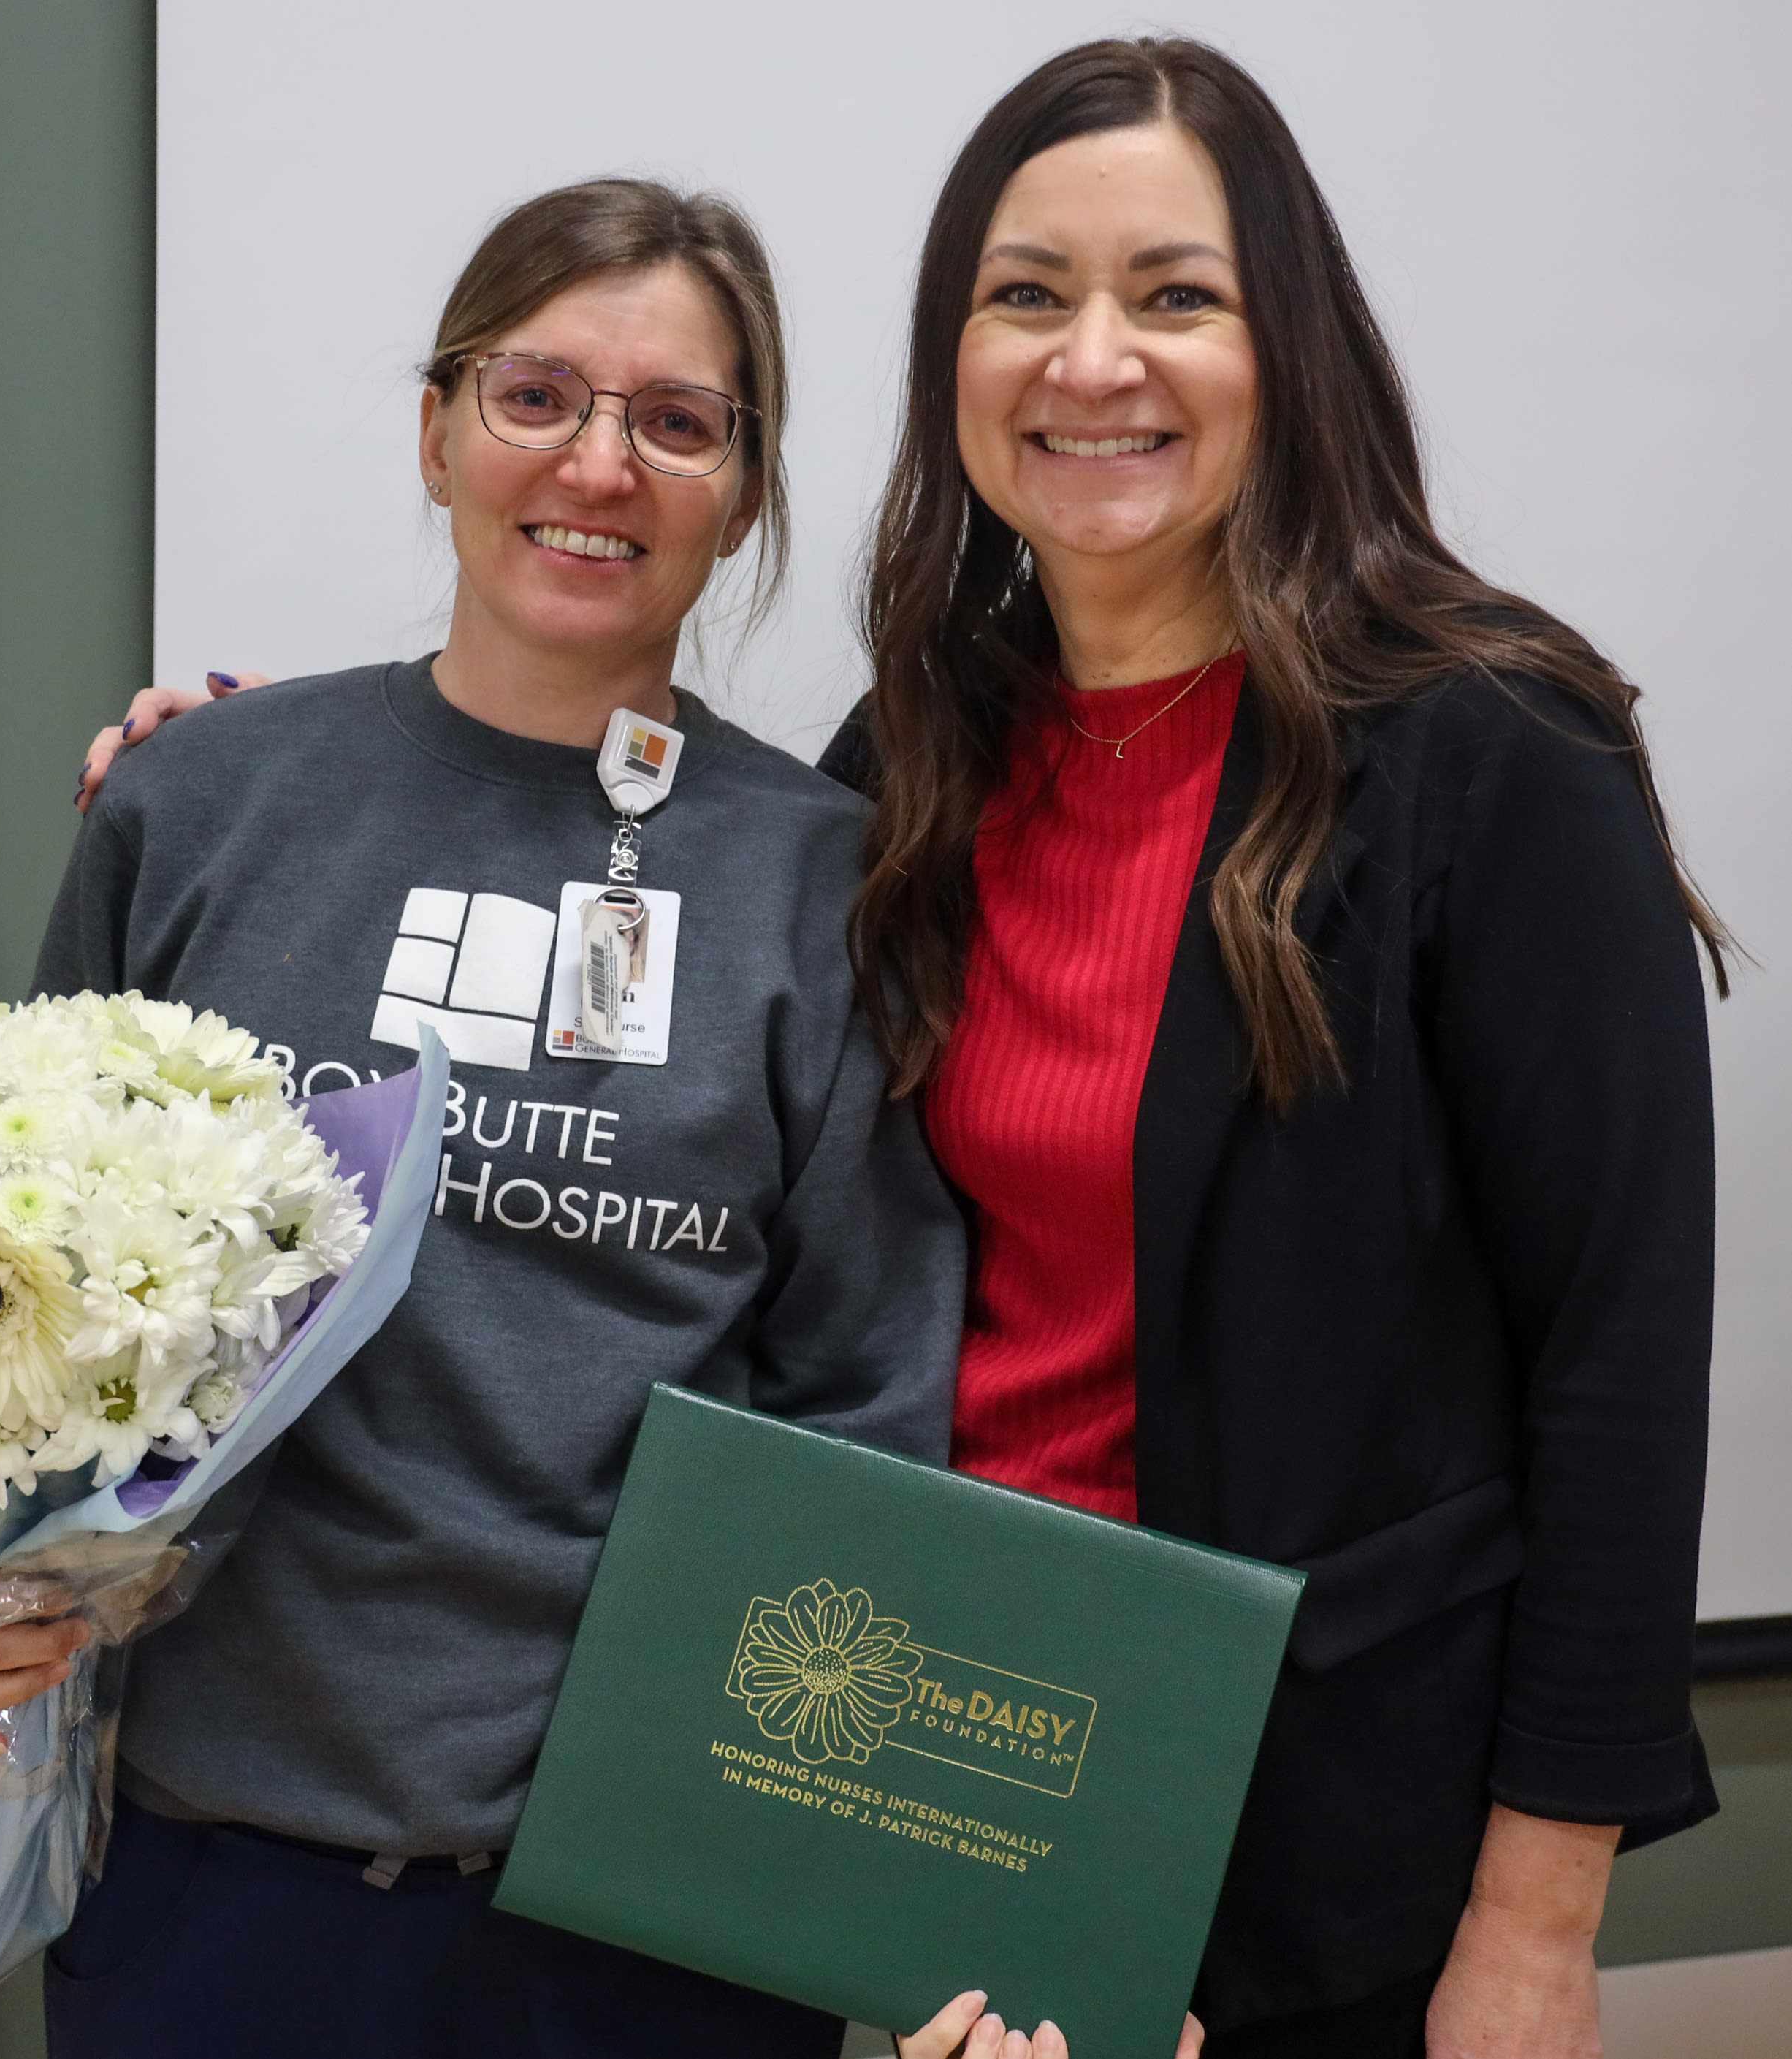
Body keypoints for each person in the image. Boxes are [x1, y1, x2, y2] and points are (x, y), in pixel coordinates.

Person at [85, 36, 1723, 2059]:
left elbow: (1617, 1364)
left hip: (1325, 1833)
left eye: (1174, 295)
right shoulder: (921, 764)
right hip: (944, 1786)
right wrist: (256, 765)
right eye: (1026, 294)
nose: (1091, 360)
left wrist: (1536, 1927)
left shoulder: (1490, 753)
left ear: (1287, 346)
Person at [0, 178, 973, 2059]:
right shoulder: (198, 802)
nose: (597, 465)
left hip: (644, 1912)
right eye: (535, 394)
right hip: (213, 1875)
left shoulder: (830, 887)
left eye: (677, 421)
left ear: (741, 492)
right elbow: (14, 1305)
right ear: (435, 430)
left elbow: (863, 1415)